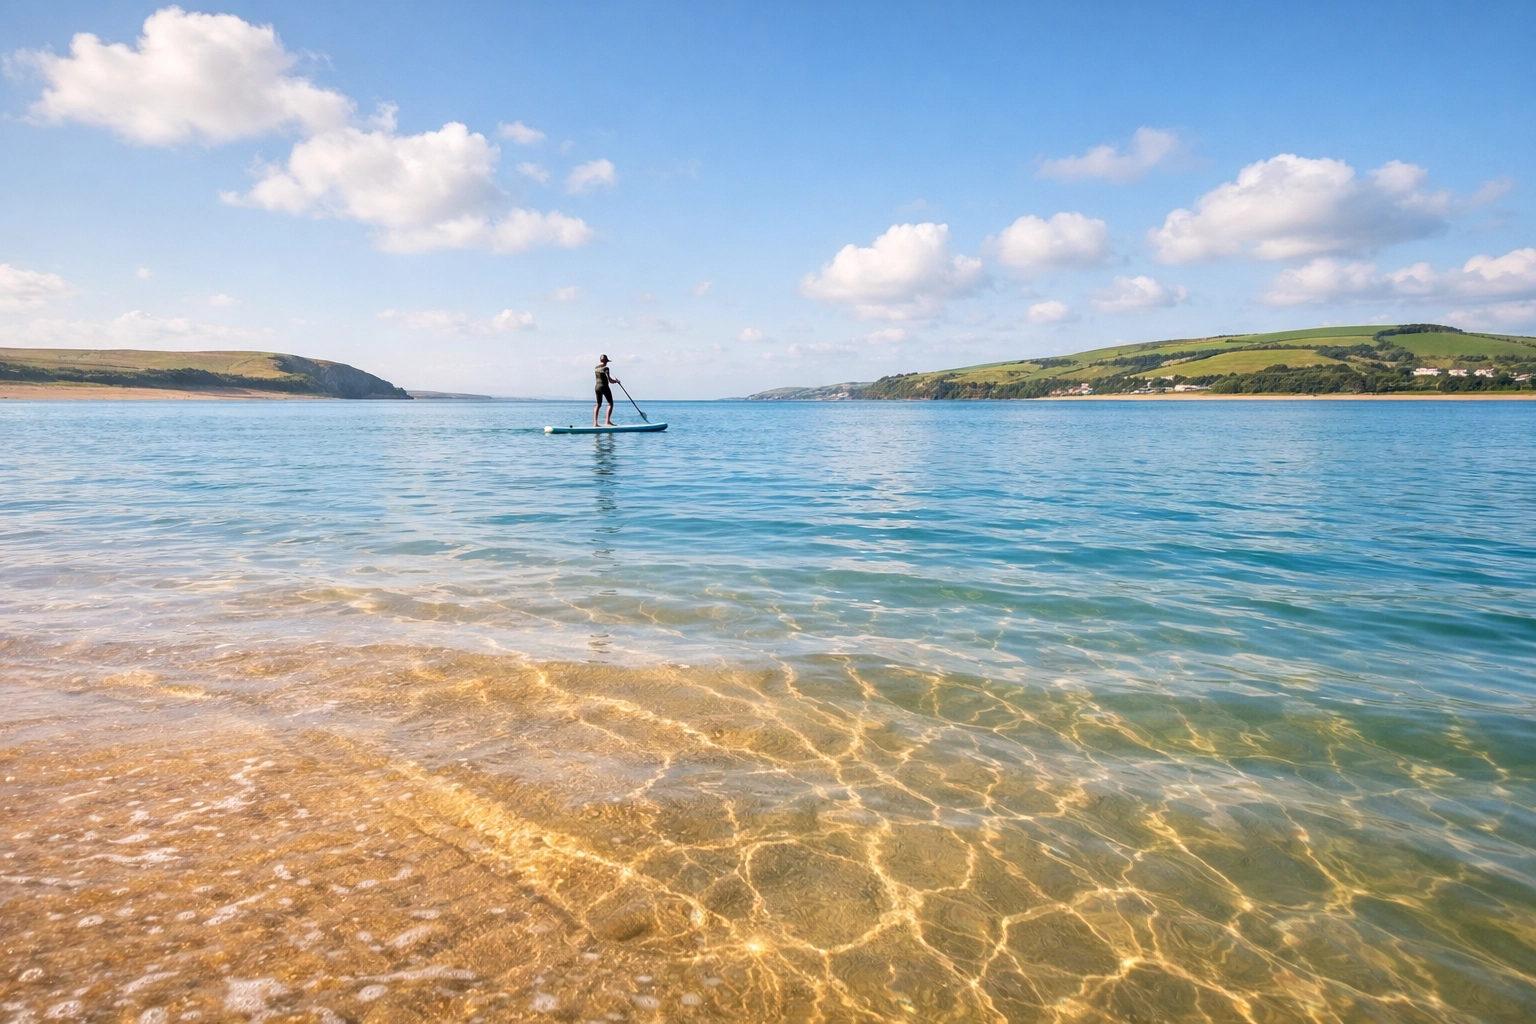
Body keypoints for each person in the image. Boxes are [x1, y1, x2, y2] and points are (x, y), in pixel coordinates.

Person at [594, 354, 621, 427]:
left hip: (597, 387)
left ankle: (595, 423)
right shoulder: (606, 368)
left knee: (598, 404)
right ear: (606, 361)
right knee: (610, 403)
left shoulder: (596, 368)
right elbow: (610, 380)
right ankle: (607, 421)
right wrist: (616, 381)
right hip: (604, 387)